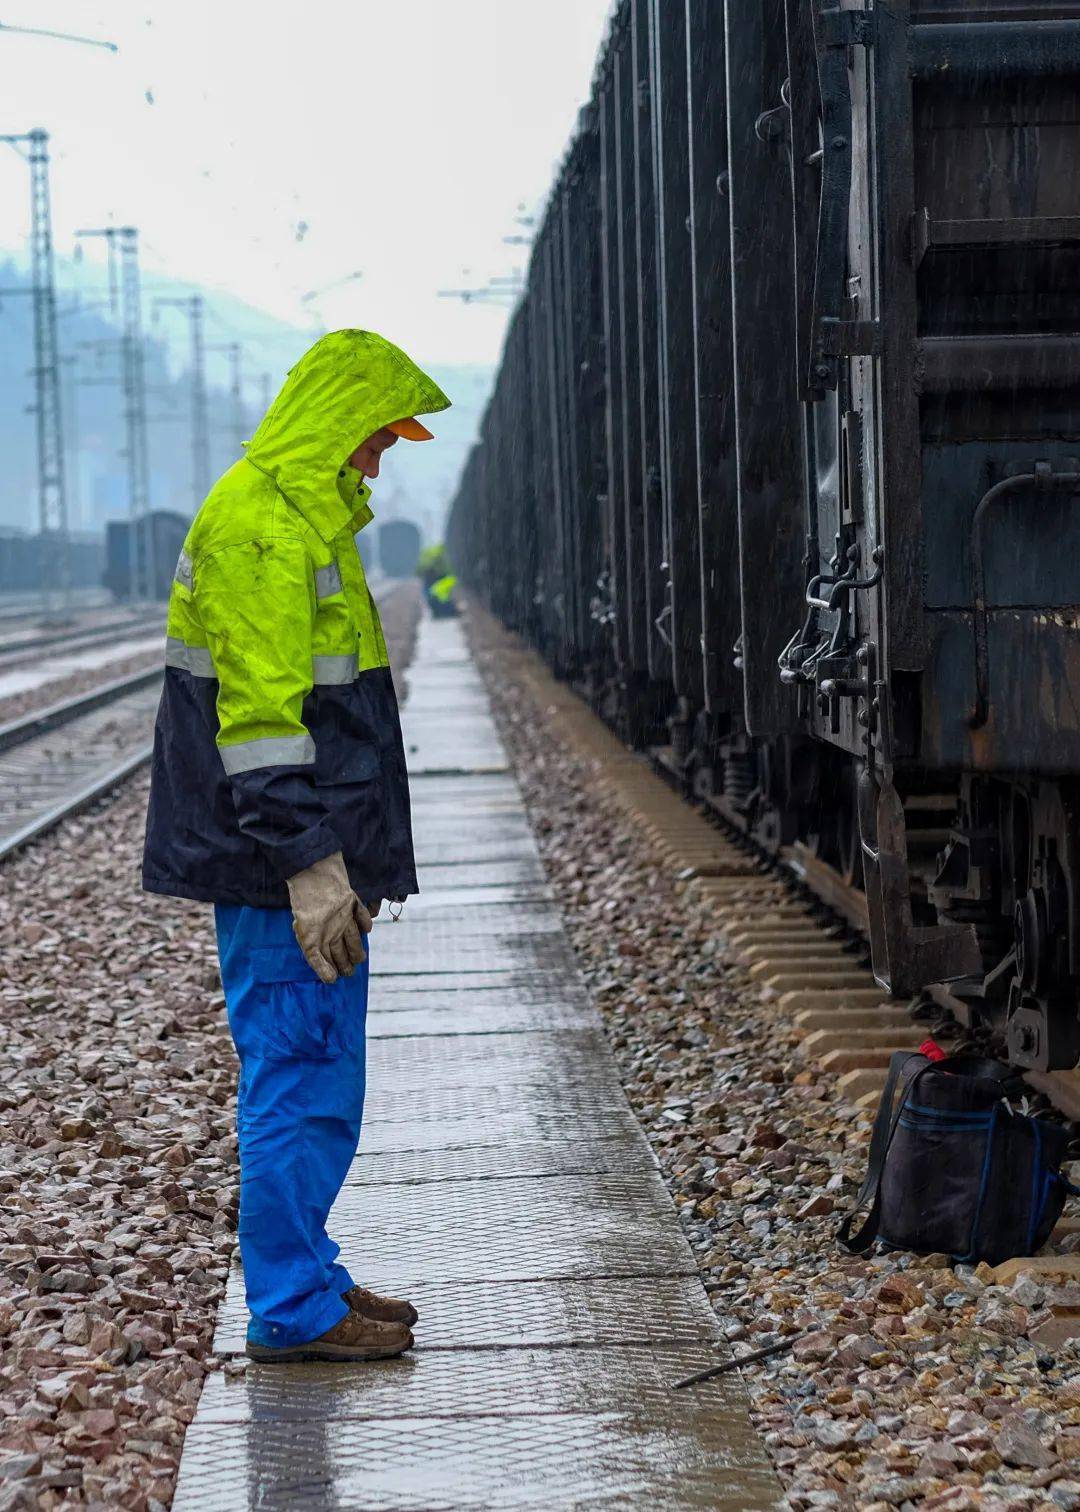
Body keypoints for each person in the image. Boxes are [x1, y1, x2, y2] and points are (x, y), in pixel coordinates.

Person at [142, 329, 450, 1363]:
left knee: (321, 1075)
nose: (378, 460)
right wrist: (311, 867)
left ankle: (307, 1271)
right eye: (372, 439)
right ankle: (291, 1306)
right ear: (333, 426)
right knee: (295, 1073)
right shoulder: (264, 527)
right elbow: (263, 724)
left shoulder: (305, 522)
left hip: (303, 856)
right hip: (279, 864)